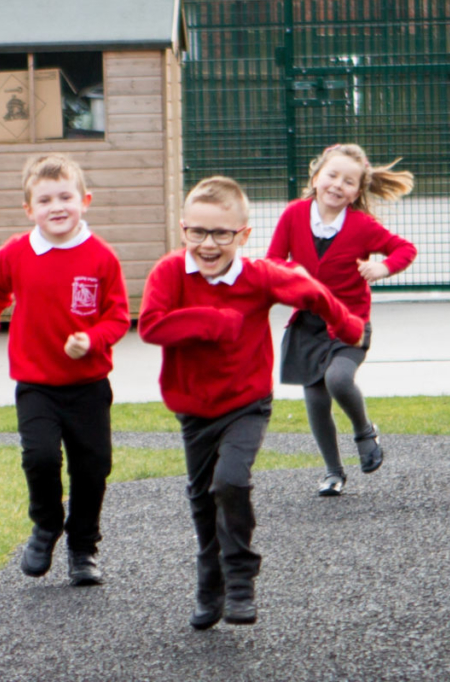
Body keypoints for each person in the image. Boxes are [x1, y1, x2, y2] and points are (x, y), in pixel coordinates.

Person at [138, 176, 365, 629]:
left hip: (246, 403)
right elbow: (151, 326)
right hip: (194, 409)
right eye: (197, 232)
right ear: (183, 230)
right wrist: (212, 321)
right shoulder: (169, 273)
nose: (207, 243)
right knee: (202, 498)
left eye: (221, 233)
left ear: (242, 235)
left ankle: (240, 576)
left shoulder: (259, 276)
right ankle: (210, 579)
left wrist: (348, 325)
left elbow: (310, 291)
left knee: (230, 482)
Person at [0, 153, 130, 585]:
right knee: (39, 457)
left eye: (65, 196)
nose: (56, 206)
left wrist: (90, 340)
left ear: (85, 200)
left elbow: (118, 318)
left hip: (89, 385)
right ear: (29, 209)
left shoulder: (102, 258)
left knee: (92, 467)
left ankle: (83, 549)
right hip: (36, 384)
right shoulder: (15, 254)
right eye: (44, 200)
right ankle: (45, 524)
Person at [266, 143, 416, 497]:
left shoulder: (363, 226)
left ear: (357, 191)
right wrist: (293, 271)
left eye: (348, 181)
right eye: (331, 175)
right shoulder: (293, 215)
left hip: (350, 322)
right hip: (308, 324)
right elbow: (273, 259)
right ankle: (333, 472)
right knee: (316, 400)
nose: (337, 185)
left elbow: (404, 249)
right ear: (316, 176)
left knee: (338, 378)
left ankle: (364, 431)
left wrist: (382, 266)